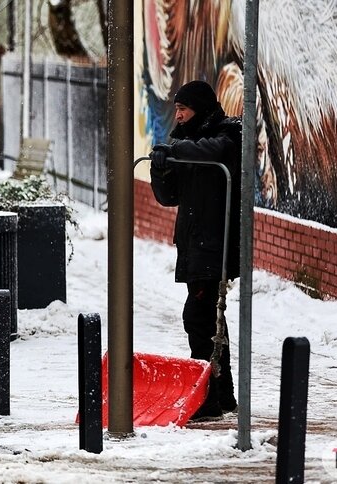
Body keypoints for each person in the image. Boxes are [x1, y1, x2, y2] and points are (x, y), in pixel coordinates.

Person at [148, 80, 242, 421]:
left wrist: (174, 150)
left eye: (183, 109)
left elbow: (214, 151)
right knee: (211, 322)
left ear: (199, 107)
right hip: (192, 244)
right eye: (176, 109)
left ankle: (210, 399)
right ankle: (224, 394)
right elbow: (169, 195)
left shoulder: (229, 132)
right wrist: (160, 167)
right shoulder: (183, 140)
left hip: (215, 242)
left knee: (199, 319)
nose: (178, 115)